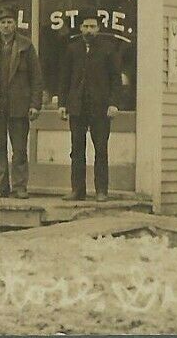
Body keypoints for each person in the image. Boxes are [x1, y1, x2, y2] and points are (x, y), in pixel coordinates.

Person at [53, 14, 126, 202]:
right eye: (85, 26)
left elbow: (116, 80)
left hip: (100, 108)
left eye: (93, 26)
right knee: (77, 150)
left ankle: (101, 190)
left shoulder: (108, 50)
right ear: (80, 28)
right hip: (77, 108)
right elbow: (64, 79)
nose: (89, 30)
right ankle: (78, 190)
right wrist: (62, 104)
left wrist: (113, 103)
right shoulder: (72, 49)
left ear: (98, 28)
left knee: (100, 150)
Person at [0, 7, 42, 199]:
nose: (6, 25)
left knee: (19, 148)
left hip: (19, 104)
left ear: (15, 24)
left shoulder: (25, 46)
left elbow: (36, 78)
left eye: (10, 22)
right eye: (3, 22)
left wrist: (35, 104)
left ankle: (20, 186)